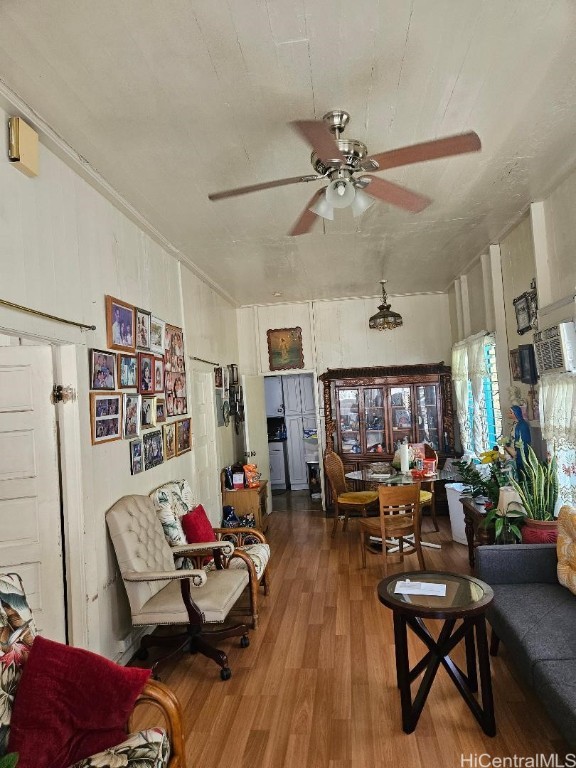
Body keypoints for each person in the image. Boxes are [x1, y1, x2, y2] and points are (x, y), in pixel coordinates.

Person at [504, 405, 531, 474]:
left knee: (521, 469)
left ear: (516, 413)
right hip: (513, 450)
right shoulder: (515, 424)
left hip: (519, 452)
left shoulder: (523, 425)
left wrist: (518, 450)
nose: (508, 413)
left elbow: (525, 441)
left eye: (510, 412)